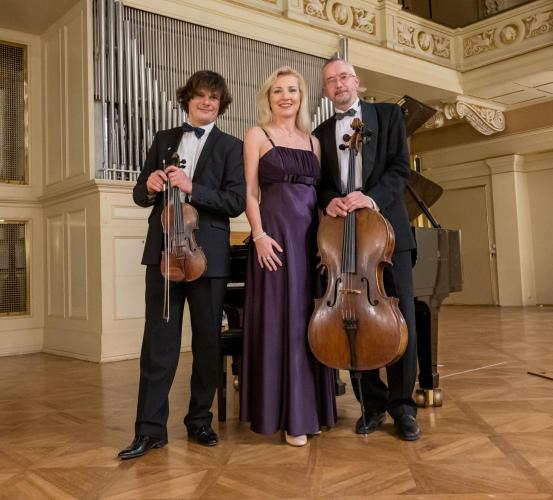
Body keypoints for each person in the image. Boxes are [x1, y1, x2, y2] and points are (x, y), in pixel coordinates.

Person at [118, 70, 246, 459]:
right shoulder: (164, 139)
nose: (207, 102)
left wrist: (193, 188)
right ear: (187, 99)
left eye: (214, 98)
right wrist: (149, 187)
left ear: (221, 105)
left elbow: (235, 202)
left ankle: (199, 420)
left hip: (208, 257)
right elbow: (140, 193)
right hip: (164, 255)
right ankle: (150, 430)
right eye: (200, 96)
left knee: (207, 343)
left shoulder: (232, 146)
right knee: (158, 343)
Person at [313, 57, 421, 441]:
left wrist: (369, 198)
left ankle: (403, 406)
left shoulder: (388, 116)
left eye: (344, 77)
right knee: (352, 319)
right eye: (331, 80)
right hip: (345, 237)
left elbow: (399, 169)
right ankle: (371, 404)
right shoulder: (320, 133)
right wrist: (330, 199)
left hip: (387, 236)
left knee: (400, 319)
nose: (339, 84)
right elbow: (321, 184)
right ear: (325, 90)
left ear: (356, 81)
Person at [240, 67, 337, 447]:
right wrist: (259, 236)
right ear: (268, 97)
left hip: (311, 242)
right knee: (283, 323)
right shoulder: (256, 135)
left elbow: (319, 198)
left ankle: (311, 412)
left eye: (292, 90)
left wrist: (327, 245)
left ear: (301, 97)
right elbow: (250, 193)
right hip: (275, 241)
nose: (285, 96)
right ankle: (288, 417)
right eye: (278, 90)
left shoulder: (314, 143)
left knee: (311, 322)